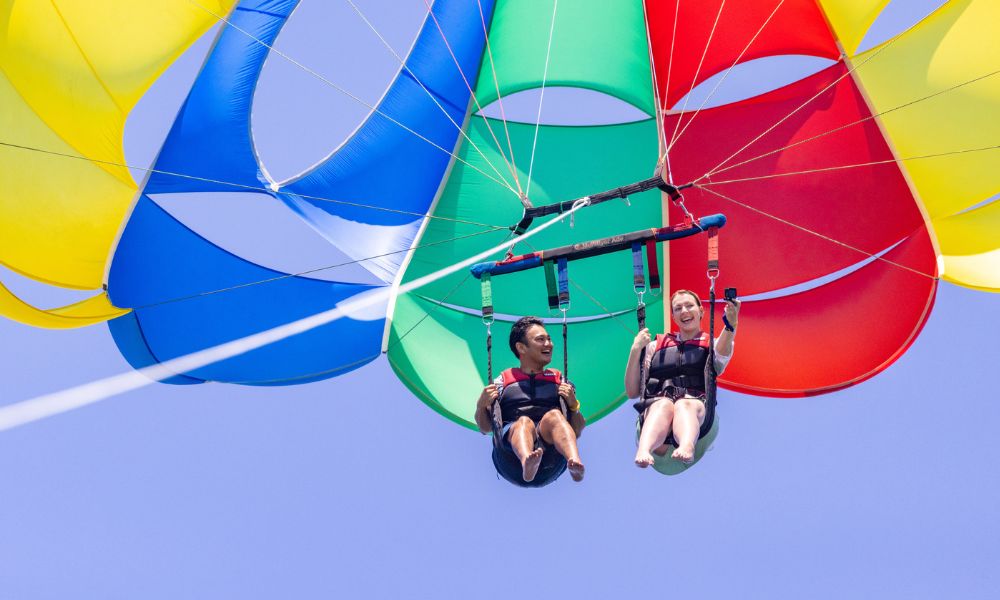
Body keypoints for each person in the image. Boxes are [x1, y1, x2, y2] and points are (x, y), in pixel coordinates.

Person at [624, 289, 740, 467]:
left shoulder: (711, 344)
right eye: (678, 308)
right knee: (663, 405)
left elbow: (721, 353)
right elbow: (632, 391)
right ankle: (644, 449)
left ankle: (687, 446)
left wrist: (730, 325)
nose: (684, 311)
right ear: (673, 316)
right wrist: (635, 350)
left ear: (701, 311)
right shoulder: (655, 346)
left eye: (689, 306)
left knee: (683, 404)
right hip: (658, 405)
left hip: (695, 405)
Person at [474, 316, 586, 486]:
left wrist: (573, 404)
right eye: (540, 339)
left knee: (555, 416)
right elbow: (485, 427)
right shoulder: (503, 381)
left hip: (550, 460)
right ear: (521, 348)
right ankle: (527, 460)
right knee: (524, 423)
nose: (548, 344)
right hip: (510, 459)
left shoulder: (558, 379)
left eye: (548, 339)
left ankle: (574, 462)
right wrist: (481, 405)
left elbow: (577, 430)